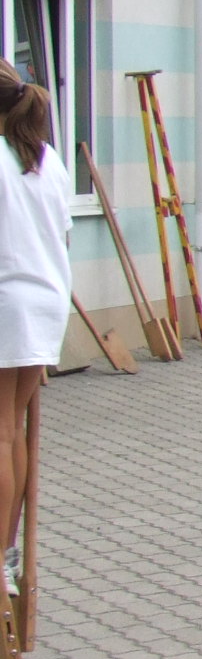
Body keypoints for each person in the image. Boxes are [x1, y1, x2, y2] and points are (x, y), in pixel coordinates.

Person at [0, 60, 71, 606]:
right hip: (45, 301)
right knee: (14, 428)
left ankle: (1, 554)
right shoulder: (47, 160)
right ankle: (7, 553)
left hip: (7, 300)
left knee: (2, 431)